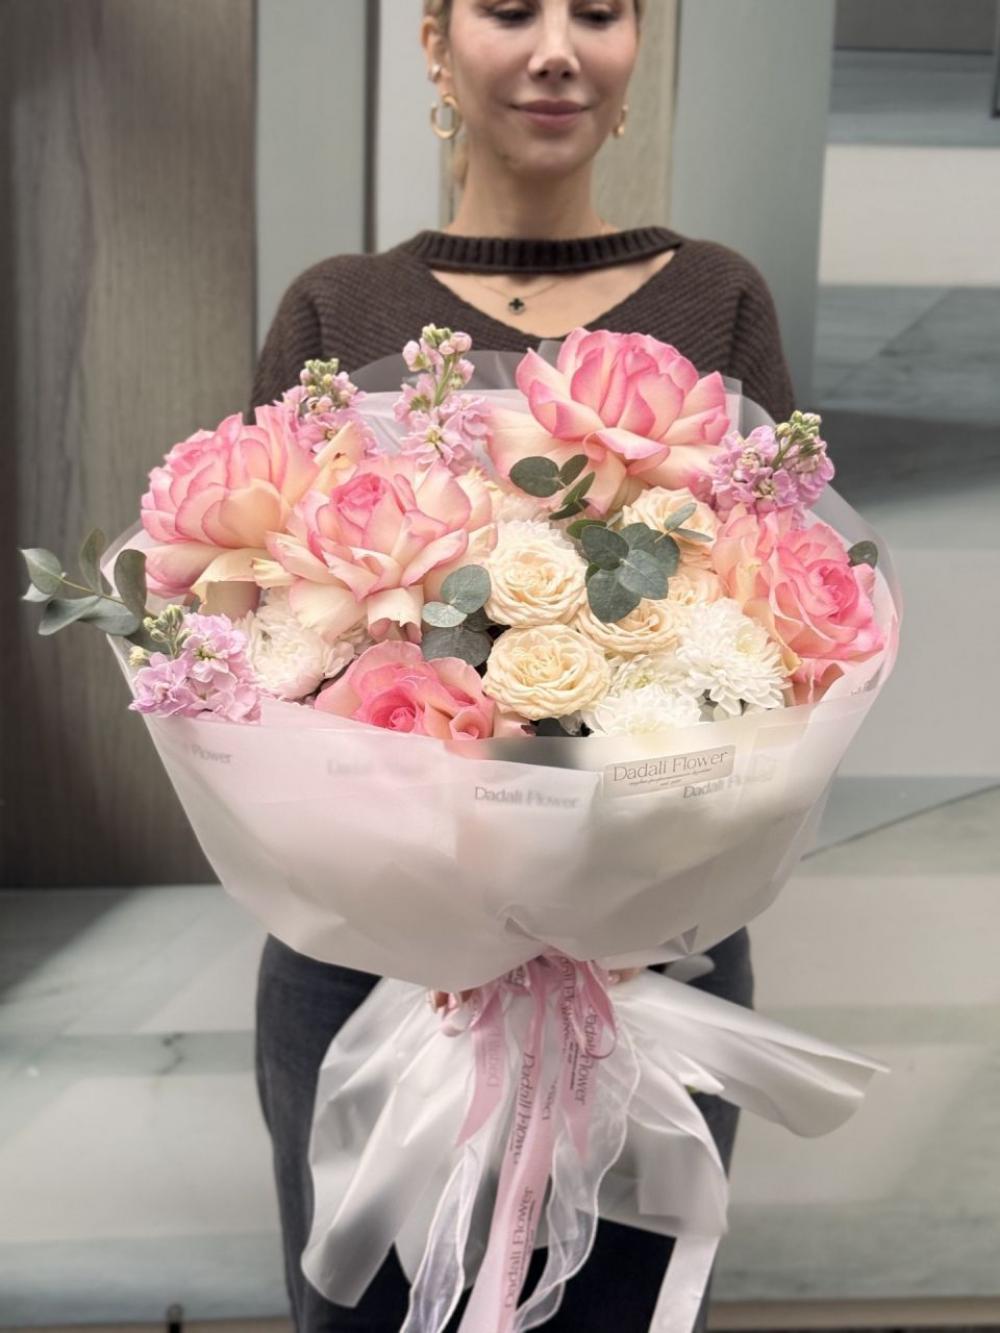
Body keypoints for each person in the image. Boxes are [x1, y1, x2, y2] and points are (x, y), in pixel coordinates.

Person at [252, 1, 795, 1329]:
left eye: (598, 11)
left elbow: (783, 626)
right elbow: (257, 634)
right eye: (509, 8)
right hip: (372, 962)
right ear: (435, 41)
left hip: (648, 966)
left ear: (637, 42)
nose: (557, 46)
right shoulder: (337, 307)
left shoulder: (717, 299)